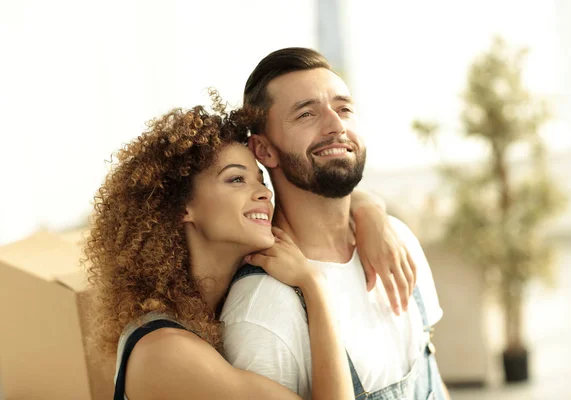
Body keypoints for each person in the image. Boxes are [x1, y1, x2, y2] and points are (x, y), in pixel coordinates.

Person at [85, 96, 416, 400]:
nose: (263, 194)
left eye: (260, 180)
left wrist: (368, 209)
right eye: (236, 180)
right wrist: (314, 287)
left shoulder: (207, 315)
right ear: (181, 208)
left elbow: (324, 207)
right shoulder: (165, 351)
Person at [220, 48, 451, 400]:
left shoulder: (397, 242)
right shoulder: (262, 309)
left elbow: (434, 381)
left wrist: (370, 208)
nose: (336, 125)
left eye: (344, 109)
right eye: (307, 114)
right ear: (264, 150)